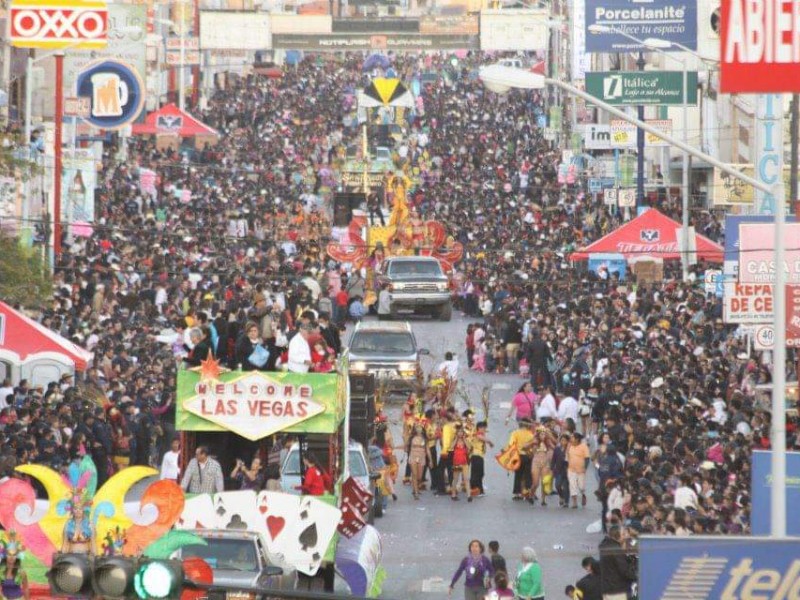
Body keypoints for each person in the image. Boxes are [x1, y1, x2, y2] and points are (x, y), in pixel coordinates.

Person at [599, 526, 636, 600]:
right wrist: (637, 576)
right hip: (618, 590)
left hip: (608, 588)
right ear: (617, 536)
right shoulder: (616, 550)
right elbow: (625, 571)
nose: (625, 537)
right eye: (623, 534)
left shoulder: (605, 546)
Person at [507, 418, 534, 501]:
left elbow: (511, 444)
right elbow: (533, 446)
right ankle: (527, 491)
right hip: (528, 456)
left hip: (518, 456)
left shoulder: (515, 433)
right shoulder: (531, 434)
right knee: (527, 475)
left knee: (518, 475)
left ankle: (517, 493)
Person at [406, 422, 432, 500]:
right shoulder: (411, 438)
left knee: (419, 477)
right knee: (414, 474)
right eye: (417, 427)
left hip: (422, 457)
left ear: (422, 429)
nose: (419, 429)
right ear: (415, 429)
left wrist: (430, 460)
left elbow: (427, 450)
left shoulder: (425, 438)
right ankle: (416, 493)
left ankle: (415, 488)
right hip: (413, 456)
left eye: (420, 427)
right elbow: (406, 447)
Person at [0, 532, 29, 600]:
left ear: (17, 556)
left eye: (14, 555)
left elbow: (26, 589)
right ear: (5, 556)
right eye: (9, 554)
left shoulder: (22, 572)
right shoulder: (0, 572)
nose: (11, 557)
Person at [468, 421, 492, 500]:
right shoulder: (477, 434)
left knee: (479, 473)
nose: (485, 429)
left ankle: (476, 489)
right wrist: (490, 442)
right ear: (479, 428)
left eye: (485, 428)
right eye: (483, 428)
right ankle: (477, 489)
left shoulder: (481, 434)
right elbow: (482, 438)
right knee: (478, 473)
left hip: (479, 456)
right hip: (476, 456)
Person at [567, 433, 591, 509]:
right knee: (572, 485)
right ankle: (575, 502)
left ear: (577, 439)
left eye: (572, 437)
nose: (571, 439)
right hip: (571, 469)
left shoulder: (584, 446)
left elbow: (587, 458)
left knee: (581, 486)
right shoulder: (570, 446)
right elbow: (567, 456)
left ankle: (583, 494)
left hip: (581, 470)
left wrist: (585, 468)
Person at [450, 428, 470, 501]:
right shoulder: (455, 441)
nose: (460, 433)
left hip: (464, 462)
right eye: (459, 432)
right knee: (455, 479)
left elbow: (469, 447)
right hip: (456, 462)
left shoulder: (465, 441)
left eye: (461, 432)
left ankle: (469, 496)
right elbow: (451, 447)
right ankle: (453, 494)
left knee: (466, 479)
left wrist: (464, 439)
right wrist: (456, 439)